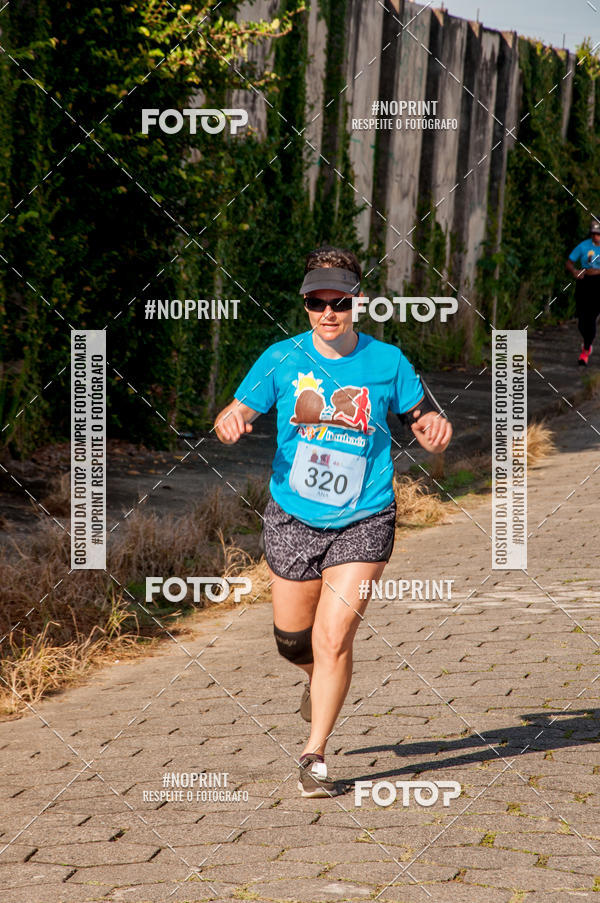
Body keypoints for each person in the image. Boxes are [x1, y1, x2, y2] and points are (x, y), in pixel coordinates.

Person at [214, 246, 452, 797]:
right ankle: (319, 680)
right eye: (317, 302)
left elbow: (422, 416)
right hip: (293, 516)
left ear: (356, 302)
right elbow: (240, 410)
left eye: (339, 302)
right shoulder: (280, 358)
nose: (328, 313)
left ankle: (313, 755)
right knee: (293, 642)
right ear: (304, 304)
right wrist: (230, 421)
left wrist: (433, 428)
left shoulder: (388, 362)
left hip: (365, 516)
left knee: (334, 635)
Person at [566, 221, 600, 366]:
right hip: (584, 282)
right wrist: (574, 271)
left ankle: (585, 351)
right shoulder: (583, 246)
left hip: (599, 283)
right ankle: (587, 342)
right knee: (582, 319)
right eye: (594, 234)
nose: (596, 237)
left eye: (598, 234)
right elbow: (569, 262)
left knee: (592, 318)